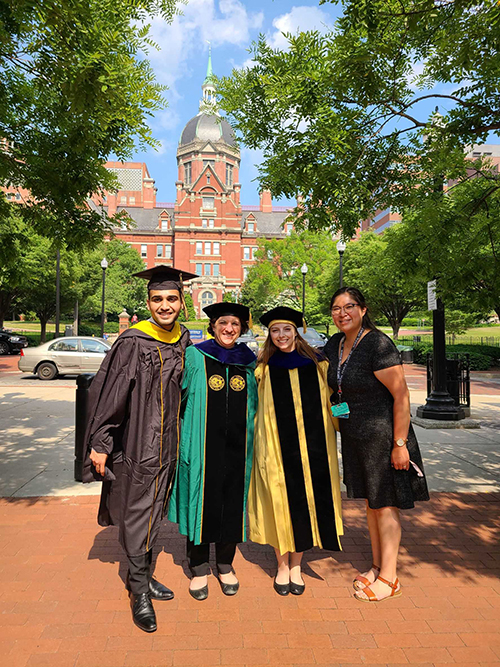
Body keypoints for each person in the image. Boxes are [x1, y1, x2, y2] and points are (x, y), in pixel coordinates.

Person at [83, 265, 196, 633]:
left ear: (182, 302)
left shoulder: (183, 341)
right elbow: (109, 394)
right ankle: (138, 590)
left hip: (171, 444)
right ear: (148, 302)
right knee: (137, 513)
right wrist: (100, 442)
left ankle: (143, 577)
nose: (164, 305)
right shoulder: (133, 341)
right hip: (139, 443)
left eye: (171, 299)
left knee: (154, 512)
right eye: (157, 299)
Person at [323, 287, 429, 603]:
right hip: (356, 436)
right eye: (336, 308)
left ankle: (390, 578)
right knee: (371, 505)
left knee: (385, 505)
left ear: (364, 309)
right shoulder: (336, 343)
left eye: (350, 306)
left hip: (384, 437)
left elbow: (401, 396)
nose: (343, 313)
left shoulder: (378, 344)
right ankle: (377, 565)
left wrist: (400, 444)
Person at [248, 306, 343, 596]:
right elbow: (252, 408)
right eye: (275, 330)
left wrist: (347, 424)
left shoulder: (318, 363)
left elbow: (337, 398)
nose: (280, 335)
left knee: (307, 501)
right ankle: (281, 566)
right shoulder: (262, 366)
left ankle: (297, 565)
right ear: (269, 334)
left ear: (297, 330)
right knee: (278, 502)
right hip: (275, 448)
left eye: (286, 329)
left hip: (314, 449)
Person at [168, 302, 258, 600]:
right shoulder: (195, 355)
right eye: (223, 323)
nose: (229, 329)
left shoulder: (249, 361)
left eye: (234, 324)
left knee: (232, 501)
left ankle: (225, 564)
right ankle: (198, 565)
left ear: (242, 328)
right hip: (201, 445)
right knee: (200, 500)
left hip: (237, 447)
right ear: (213, 326)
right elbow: (177, 398)